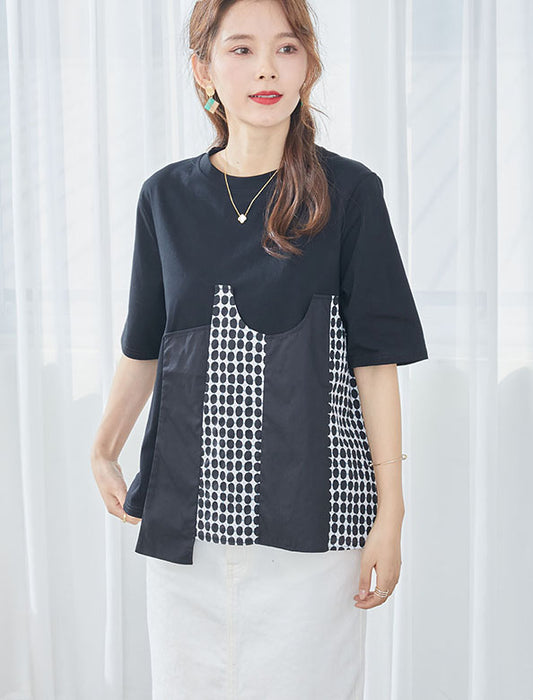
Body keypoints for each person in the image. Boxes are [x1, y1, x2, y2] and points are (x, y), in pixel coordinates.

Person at [90, 0, 429, 697]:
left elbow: (375, 361)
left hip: (314, 518)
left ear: (308, 65)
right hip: (186, 523)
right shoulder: (165, 196)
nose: (267, 69)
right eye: (241, 49)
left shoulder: (349, 192)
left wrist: (390, 512)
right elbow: (145, 341)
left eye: (286, 48)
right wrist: (102, 447)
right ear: (203, 70)